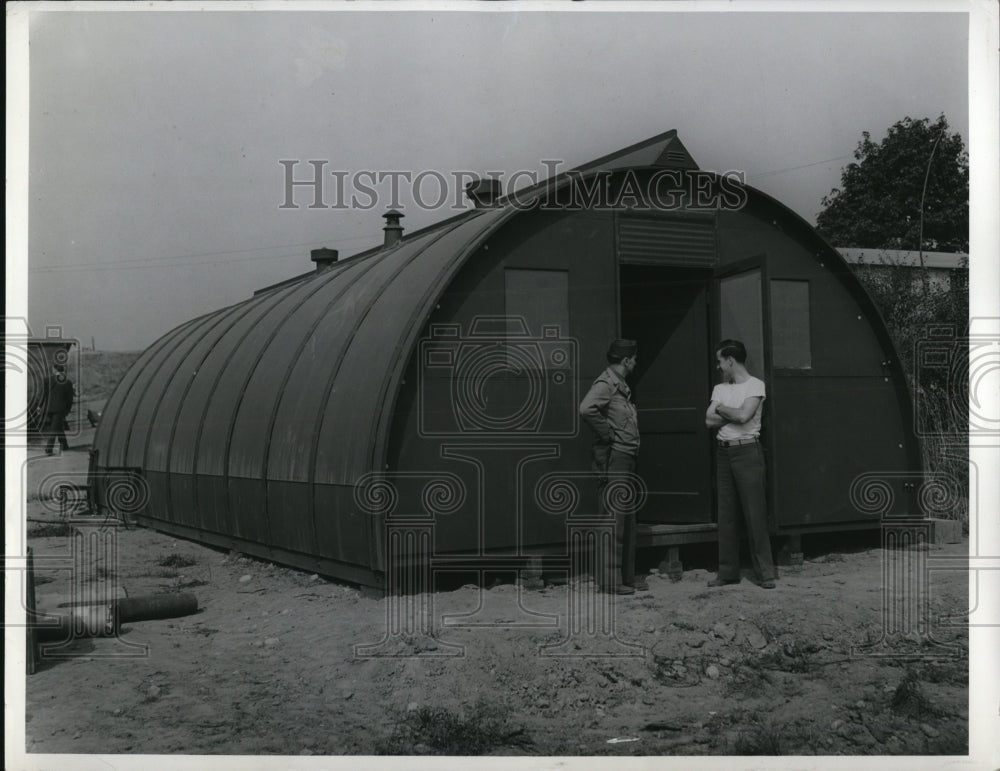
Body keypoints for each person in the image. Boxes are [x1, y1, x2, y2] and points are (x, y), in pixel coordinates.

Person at [705, 339, 777, 589]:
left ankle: (765, 573)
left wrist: (723, 411)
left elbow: (745, 416)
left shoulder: (756, 385)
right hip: (724, 454)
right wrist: (732, 413)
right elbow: (708, 421)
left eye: (720, 361)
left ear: (730, 361)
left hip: (748, 452)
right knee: (726, 515)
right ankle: (727, 573)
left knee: (754, 512)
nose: (718, 366)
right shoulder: (720, 388)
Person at [578, 339, 647, 595]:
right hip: (615, 456)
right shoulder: (606, 384)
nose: (636, 363)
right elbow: (586, 409)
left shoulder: (621, 385)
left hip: (627, 456)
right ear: (626, 360)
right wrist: (607, 434)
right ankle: (610, 581)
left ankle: (624, 577)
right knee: (613, 518)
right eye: (634, 359)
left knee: (625, 519)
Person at [43, 363, 75, 456]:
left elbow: (44, 395)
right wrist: (67, 410)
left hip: (49, 408)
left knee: (57, 426)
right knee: (55, 428)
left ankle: (64, 445)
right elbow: (70, 399)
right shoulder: (68, 382)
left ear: (54, 370)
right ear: (62, 371)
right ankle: (49, 449)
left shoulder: (47, 380)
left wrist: (40, 407)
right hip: (60, 409)